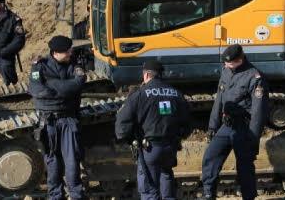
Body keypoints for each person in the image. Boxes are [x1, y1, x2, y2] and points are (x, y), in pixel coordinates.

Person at [201, 44, 269, 200]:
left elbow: (259, 112)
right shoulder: (226, 71)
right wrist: (212, 126)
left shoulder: (255, 77)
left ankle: (248, 197)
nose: (225, 65)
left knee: (244, 167)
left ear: (240, 59)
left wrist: (253, 138)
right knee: (210, 157)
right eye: (225, 63)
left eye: (229, 63)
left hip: (244, 128)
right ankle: (208, 194)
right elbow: (219, 100)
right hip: (227, 125)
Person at [115, 60, 191, 200]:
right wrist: (179, 136)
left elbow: (122, 122)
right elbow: (187, 122)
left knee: (149, 190)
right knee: (166, 175)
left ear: (147, 75)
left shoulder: (139, 94)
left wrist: (128, 139)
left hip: (149, 148)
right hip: (170, 147)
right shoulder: (176, 93)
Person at [29, 35, 87, 200]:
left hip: (69, 119)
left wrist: (52, 86)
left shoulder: (75, 64)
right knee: (52, 161)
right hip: (49, 121)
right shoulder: (40, 66)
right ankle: (55, 196)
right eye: (66, 51)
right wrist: (64, 91)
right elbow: (37, 90)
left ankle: (76, 195)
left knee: (72, 162)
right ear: (56, 52)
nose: (70, 53)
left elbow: (78, 83)